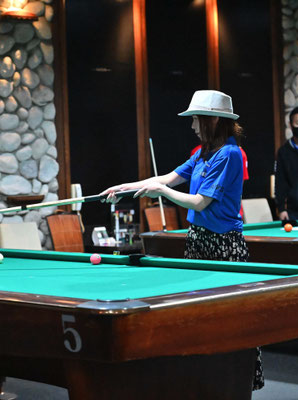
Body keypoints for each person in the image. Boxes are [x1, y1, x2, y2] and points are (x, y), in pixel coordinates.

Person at [102, 90, 263, 390]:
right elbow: (165, 179)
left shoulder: (229, 154)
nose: (191, 126)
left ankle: (233, 381)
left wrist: (162, 193)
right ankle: (200, 378)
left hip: (224, 246)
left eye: (195, 119)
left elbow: (200, 202)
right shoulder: (202, 153)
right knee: (195, 314)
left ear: (212, 120)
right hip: (197, 241)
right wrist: (123, 188)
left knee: (229, 318)